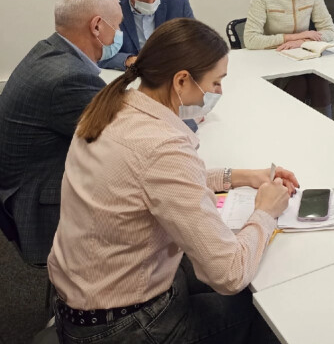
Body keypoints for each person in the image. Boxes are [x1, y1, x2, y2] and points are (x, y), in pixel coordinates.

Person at [48, 18, 299, 343]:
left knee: (204, 265)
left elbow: (151, 181)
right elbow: (230, 273)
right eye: (216, 82)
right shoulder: (161, 147)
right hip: (123, 326)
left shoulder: (113, 107)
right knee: (264, 311)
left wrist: (241, 177)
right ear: (181, 81)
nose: (219, 92)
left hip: (88, 302)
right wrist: (265, 211)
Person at [0, 0, 122, 265]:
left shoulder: (49, 51)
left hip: (23, 183)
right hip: (38, 204)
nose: (119, 34)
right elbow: (126, 134)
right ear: (97, 26)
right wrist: (180, 115)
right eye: (117, 26)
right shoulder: (68, 78)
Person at [243, 0, 334, 117]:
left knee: (319, 81)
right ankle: (289, 128)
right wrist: (293, 37)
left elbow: (329, 30)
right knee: (298, 83)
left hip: (307, 57)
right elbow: (251, 39)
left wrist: (302, 42)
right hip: (277, 59)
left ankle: (324, 129)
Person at [99, 0, 194, 70]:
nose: (150, 2)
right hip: (127, 73)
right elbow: (97, 55)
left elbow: (195, 44)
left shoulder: (178, 2)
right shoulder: (110, 6)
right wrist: (127, 60)